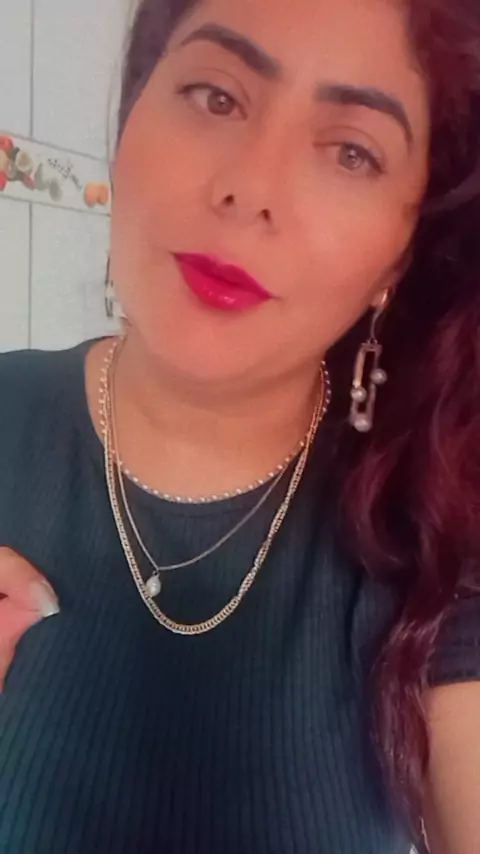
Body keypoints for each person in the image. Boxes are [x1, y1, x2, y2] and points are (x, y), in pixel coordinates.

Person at [0, 0, 479, 851]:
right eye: (217, 97)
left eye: (352, 152)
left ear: (399, 256)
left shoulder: (433, 542)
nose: (250, 189)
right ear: (132, 114)